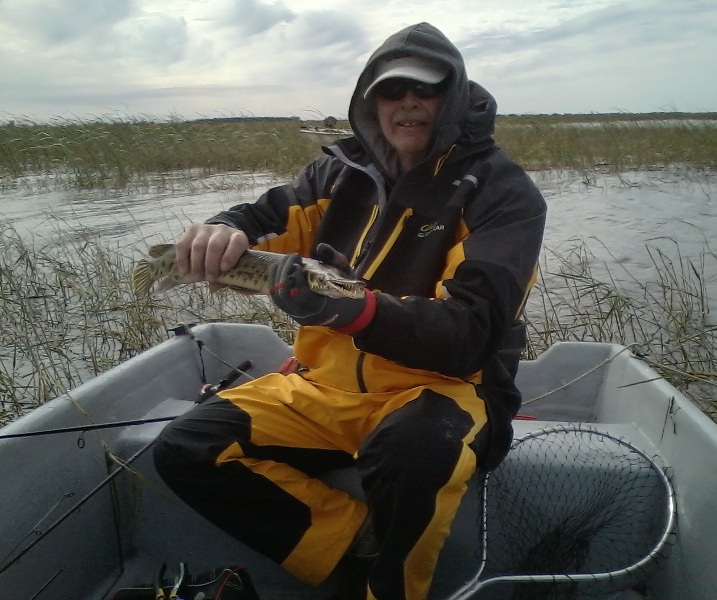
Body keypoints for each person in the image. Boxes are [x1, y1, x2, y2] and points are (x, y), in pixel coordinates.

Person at [153, 22, 546, 600]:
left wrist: (349, 310)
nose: (408, 101)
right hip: (325, 388)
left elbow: (470, 332)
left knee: (417, 453)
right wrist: (225, 231)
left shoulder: (502, 193)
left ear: (454, 96)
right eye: (392, 90)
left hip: (443, 391)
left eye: (428, 89)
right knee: (187, 449)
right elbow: (266, 218)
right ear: (371, 101)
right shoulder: (337, 173)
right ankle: (352, 546)